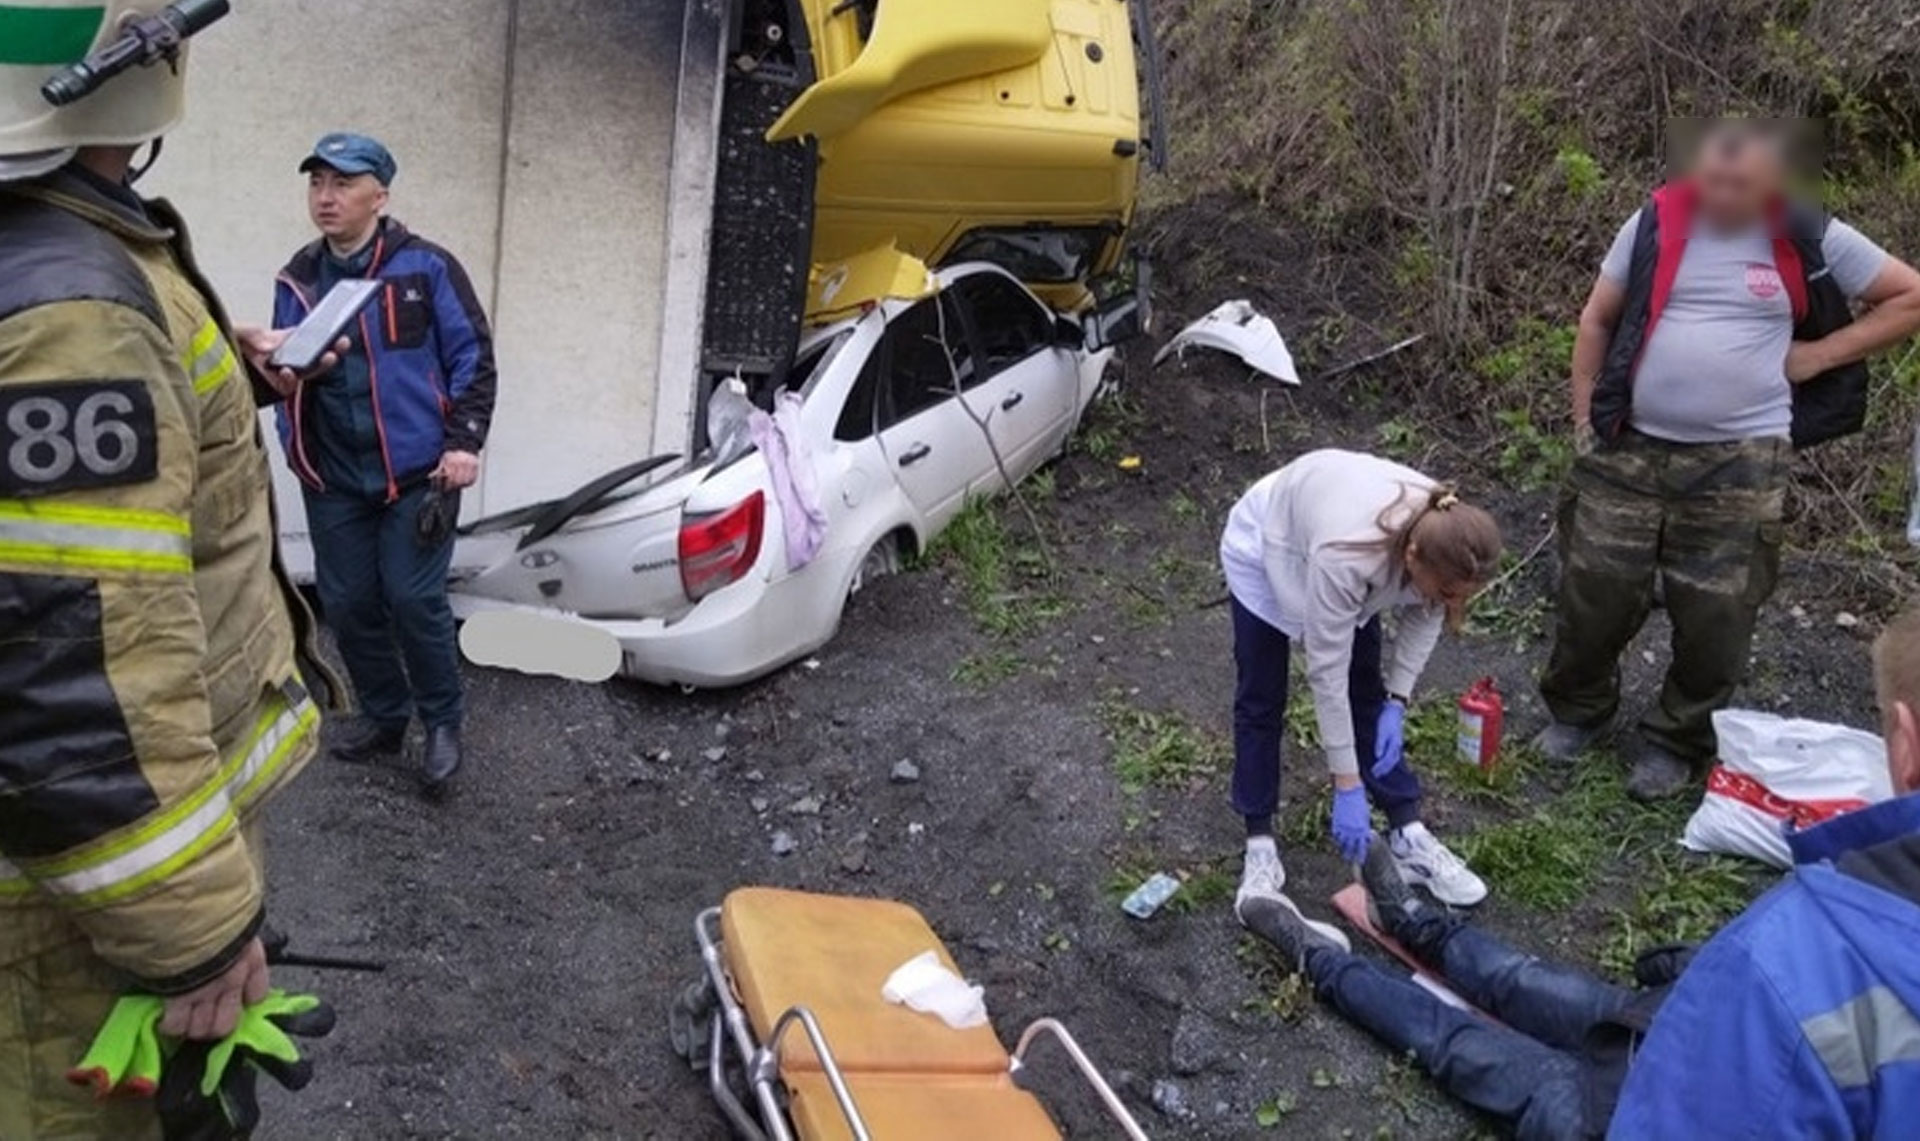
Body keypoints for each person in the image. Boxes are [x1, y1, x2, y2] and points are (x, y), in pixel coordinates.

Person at [0, 2, 342, 1134]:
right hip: (59, 925)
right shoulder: (67, 314)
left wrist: (201, 375)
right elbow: (72, 674)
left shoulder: (54, 264)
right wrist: (193, 933)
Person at [1246, 602, 1920, 1139]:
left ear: (1904, 744)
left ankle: (1317, 959)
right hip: (1676, 1023)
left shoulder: (1796, 954)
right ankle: (1410, 917)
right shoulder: (1837, 919)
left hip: (1627, 1112)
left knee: (1450, 1041)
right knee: (1519, 977)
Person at [1537, 119, 1920, 800]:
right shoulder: (1656, 221)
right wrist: (1584, 420)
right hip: (1628, 443)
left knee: (1718, 612)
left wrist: (1819, 355)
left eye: (1738, 184)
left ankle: (1674, 739)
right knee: (1593, 588)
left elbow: (1908, 295)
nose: (1719, 193)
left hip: (1741, 460)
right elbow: (1597, 317)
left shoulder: (1802, 233)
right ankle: (1578, 710)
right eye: (1709, 178)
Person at [273, 132, 499, 795]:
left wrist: (464, 441)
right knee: (346, 601)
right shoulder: (299, 276)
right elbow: (284, 366)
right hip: (335, 475)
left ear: (380, 194)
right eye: (317, 183)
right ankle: (384, 715)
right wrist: (293, 439)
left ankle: (443, 722)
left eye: (342, 184)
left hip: (418, 472)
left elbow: (473, 358)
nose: (325, 197)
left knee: (412, 595)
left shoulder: (424, 268)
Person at [1220, 449, 1504, 917]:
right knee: (1261, 698)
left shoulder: (1447, 534)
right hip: (1270, 544)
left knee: (1367, 693)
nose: (1451, 603)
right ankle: (1260, 842)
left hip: (1337, 530)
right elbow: (1325, 673)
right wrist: (1346, 785)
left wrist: (1397, 699)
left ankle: (1407, 832)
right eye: (1446, 592)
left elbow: (1428, 612)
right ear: (1412, 558)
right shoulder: (1347, 557)